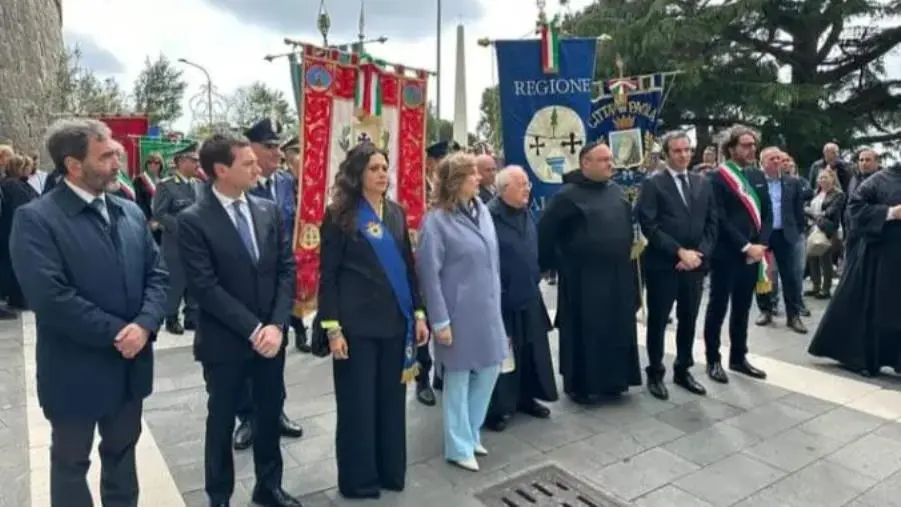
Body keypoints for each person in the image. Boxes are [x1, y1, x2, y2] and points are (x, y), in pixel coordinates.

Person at [9, 118, 168, 507]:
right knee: (70, 464)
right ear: (74, 165)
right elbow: (50, 297)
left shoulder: (129, 212)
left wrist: (145, 325)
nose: (117, 163)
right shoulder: (36, 219)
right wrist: (119, 333)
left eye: (116, 154)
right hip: (74, 372)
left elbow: (158, 274)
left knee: (122, 456)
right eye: (106, 156)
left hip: (128, 369)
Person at [177, 134, 301, 507]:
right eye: (247, 163)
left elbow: (286, 270)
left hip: (271, 340)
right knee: (221, 421)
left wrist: (276, 325)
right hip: (225, 342)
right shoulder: (194, 220)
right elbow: (205, 287)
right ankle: (219, 495)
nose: (257, 168)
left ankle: (269, 486)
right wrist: (254, 328)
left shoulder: (268, 211)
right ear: (221, 170)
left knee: (268, 414)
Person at [317, 142, 429, 498]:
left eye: (384, 167)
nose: (382, 174)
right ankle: (359, 480)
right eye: (374, 169)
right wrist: (332, 329)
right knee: (358, 405)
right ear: (357, 174)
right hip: (356, 328)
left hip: (395, 324)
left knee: (391, 402)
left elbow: (408, 267)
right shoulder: (339, 216)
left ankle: (390, 471)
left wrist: (419, 313)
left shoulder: (396, 213)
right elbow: (328, 276)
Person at [416, 151, 507, 472]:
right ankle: (457, 446)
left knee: (490, 369)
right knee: (457, 379)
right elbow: (429, 275)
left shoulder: (482, 210)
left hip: (487, 309)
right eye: (472, 174)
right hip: (456, 314)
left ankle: (470, 431)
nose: (478, 178)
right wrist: (439, 320)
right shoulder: (436, 222)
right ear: (455, 181)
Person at [537, 141, 642, 404]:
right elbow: (546, 234)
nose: (610, 164)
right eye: (604, 159)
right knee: (586, 332)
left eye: (610, 159)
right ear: (585, 163)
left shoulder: (616, 190)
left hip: (618, 275)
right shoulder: (567, 196)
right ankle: (582, 385)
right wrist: (556, 264)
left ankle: (615, 381)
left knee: (617, 328)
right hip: (583, 279)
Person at [230, 119, 304, 452]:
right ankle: (247, 417)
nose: (278, 153)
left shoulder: (287, 182)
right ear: (252, 149)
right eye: (270, 146)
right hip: (245, 286)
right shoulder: (240, 185)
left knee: (277, 351)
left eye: (278, 146)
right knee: (245, 354)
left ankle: (276, 411)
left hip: (278, 283)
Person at [636, 131, 717, 401]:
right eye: (677, 151)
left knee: (689, 318)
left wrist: (698, 255)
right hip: (664, 266)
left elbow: (712, 222)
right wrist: (679, 252)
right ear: (667, 154)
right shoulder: (653, 184)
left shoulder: (702, 182)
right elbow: (649, 225)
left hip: (694, 267)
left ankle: (683, 369)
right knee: (658, 320)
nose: (683, 155)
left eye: (686, 150)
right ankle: (655, 372)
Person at [808, 162, 901, 377]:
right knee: (876, 311)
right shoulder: (880, 180)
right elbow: (854, 209)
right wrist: (890, 212)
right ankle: (867, 358)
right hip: (880, 258)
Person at [484, 166, 558, 430]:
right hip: (503, 298)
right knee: (505, 356)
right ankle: (499, 408)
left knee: (530, 351)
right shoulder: (489, 216)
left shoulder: (525, 211)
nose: (528, 188)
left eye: (528, 183)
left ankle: (527, 398)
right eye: (522, 184)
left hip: (528, 293)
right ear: (504, 189)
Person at [702, 125, 772, 384]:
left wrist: (761, 245)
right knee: (718, 307)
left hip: (754, 255)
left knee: (743, 308)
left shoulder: (757, 175)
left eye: (753, 145)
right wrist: (745, 246)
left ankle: (738, 357)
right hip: (727, 254)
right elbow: (719, 218)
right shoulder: (717, 177)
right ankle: (713, 359)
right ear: (731, 148)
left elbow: (767, 213)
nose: (751, 149)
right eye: (745, 145)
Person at [414, 139, 460, 405]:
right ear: (430, 162)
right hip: (422, 260)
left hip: (449, 264)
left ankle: (443, 372)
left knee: (447, 319)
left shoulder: (450, 188)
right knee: (424, 321)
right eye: (443, 159)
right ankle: (422, 377)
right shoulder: (414, 186)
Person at [754, 147, 807, 333]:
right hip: (763, 235)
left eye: (778, 158)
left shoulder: (792, 182)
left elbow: (798, 210)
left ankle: (793, 315)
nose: (777, 162)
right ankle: (765, 310)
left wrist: (798, 230)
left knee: (790, 276)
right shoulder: (755, 182)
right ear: (762, 163)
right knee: (763, 274)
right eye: (772, 159)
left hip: (786, 234)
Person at [152, 142, 200, 334]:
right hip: (176, 242)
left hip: (197, 244)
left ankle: (192, 316)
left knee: (195, 278)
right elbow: (159, 213)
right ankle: (171, 317)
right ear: (181, 161)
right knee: (176, 280)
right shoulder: (167, 186)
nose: (197, 164)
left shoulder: (200, 186)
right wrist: (182, 227)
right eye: (193, 160)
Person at [0, 154, 40, 309]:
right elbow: (22, 208)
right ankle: (18, 298)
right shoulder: (15, 186)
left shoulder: (10, 184)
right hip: (13, 230)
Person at [804, 169, 845, 299]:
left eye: (826, 177)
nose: (823, 180)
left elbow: (831, 212)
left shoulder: (839, 194)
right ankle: (816, 286)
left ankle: (826, 289)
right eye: (821, 177)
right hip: (812, 228)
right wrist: (816, 214)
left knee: (825, 258)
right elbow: (805, 207)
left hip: (827, 229)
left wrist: (813, 214)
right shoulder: (815, 192)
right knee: (812, 257)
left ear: (832, 178)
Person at [135, 152, 164, 244]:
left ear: (161, 165)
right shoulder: (139, 180)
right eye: (149, 162)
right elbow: (139, 202)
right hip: (148, 223)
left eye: (156, 162)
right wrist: (149, 220)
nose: (152, 165)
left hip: (163, 224)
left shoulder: (164, 180)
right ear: (146, 164)